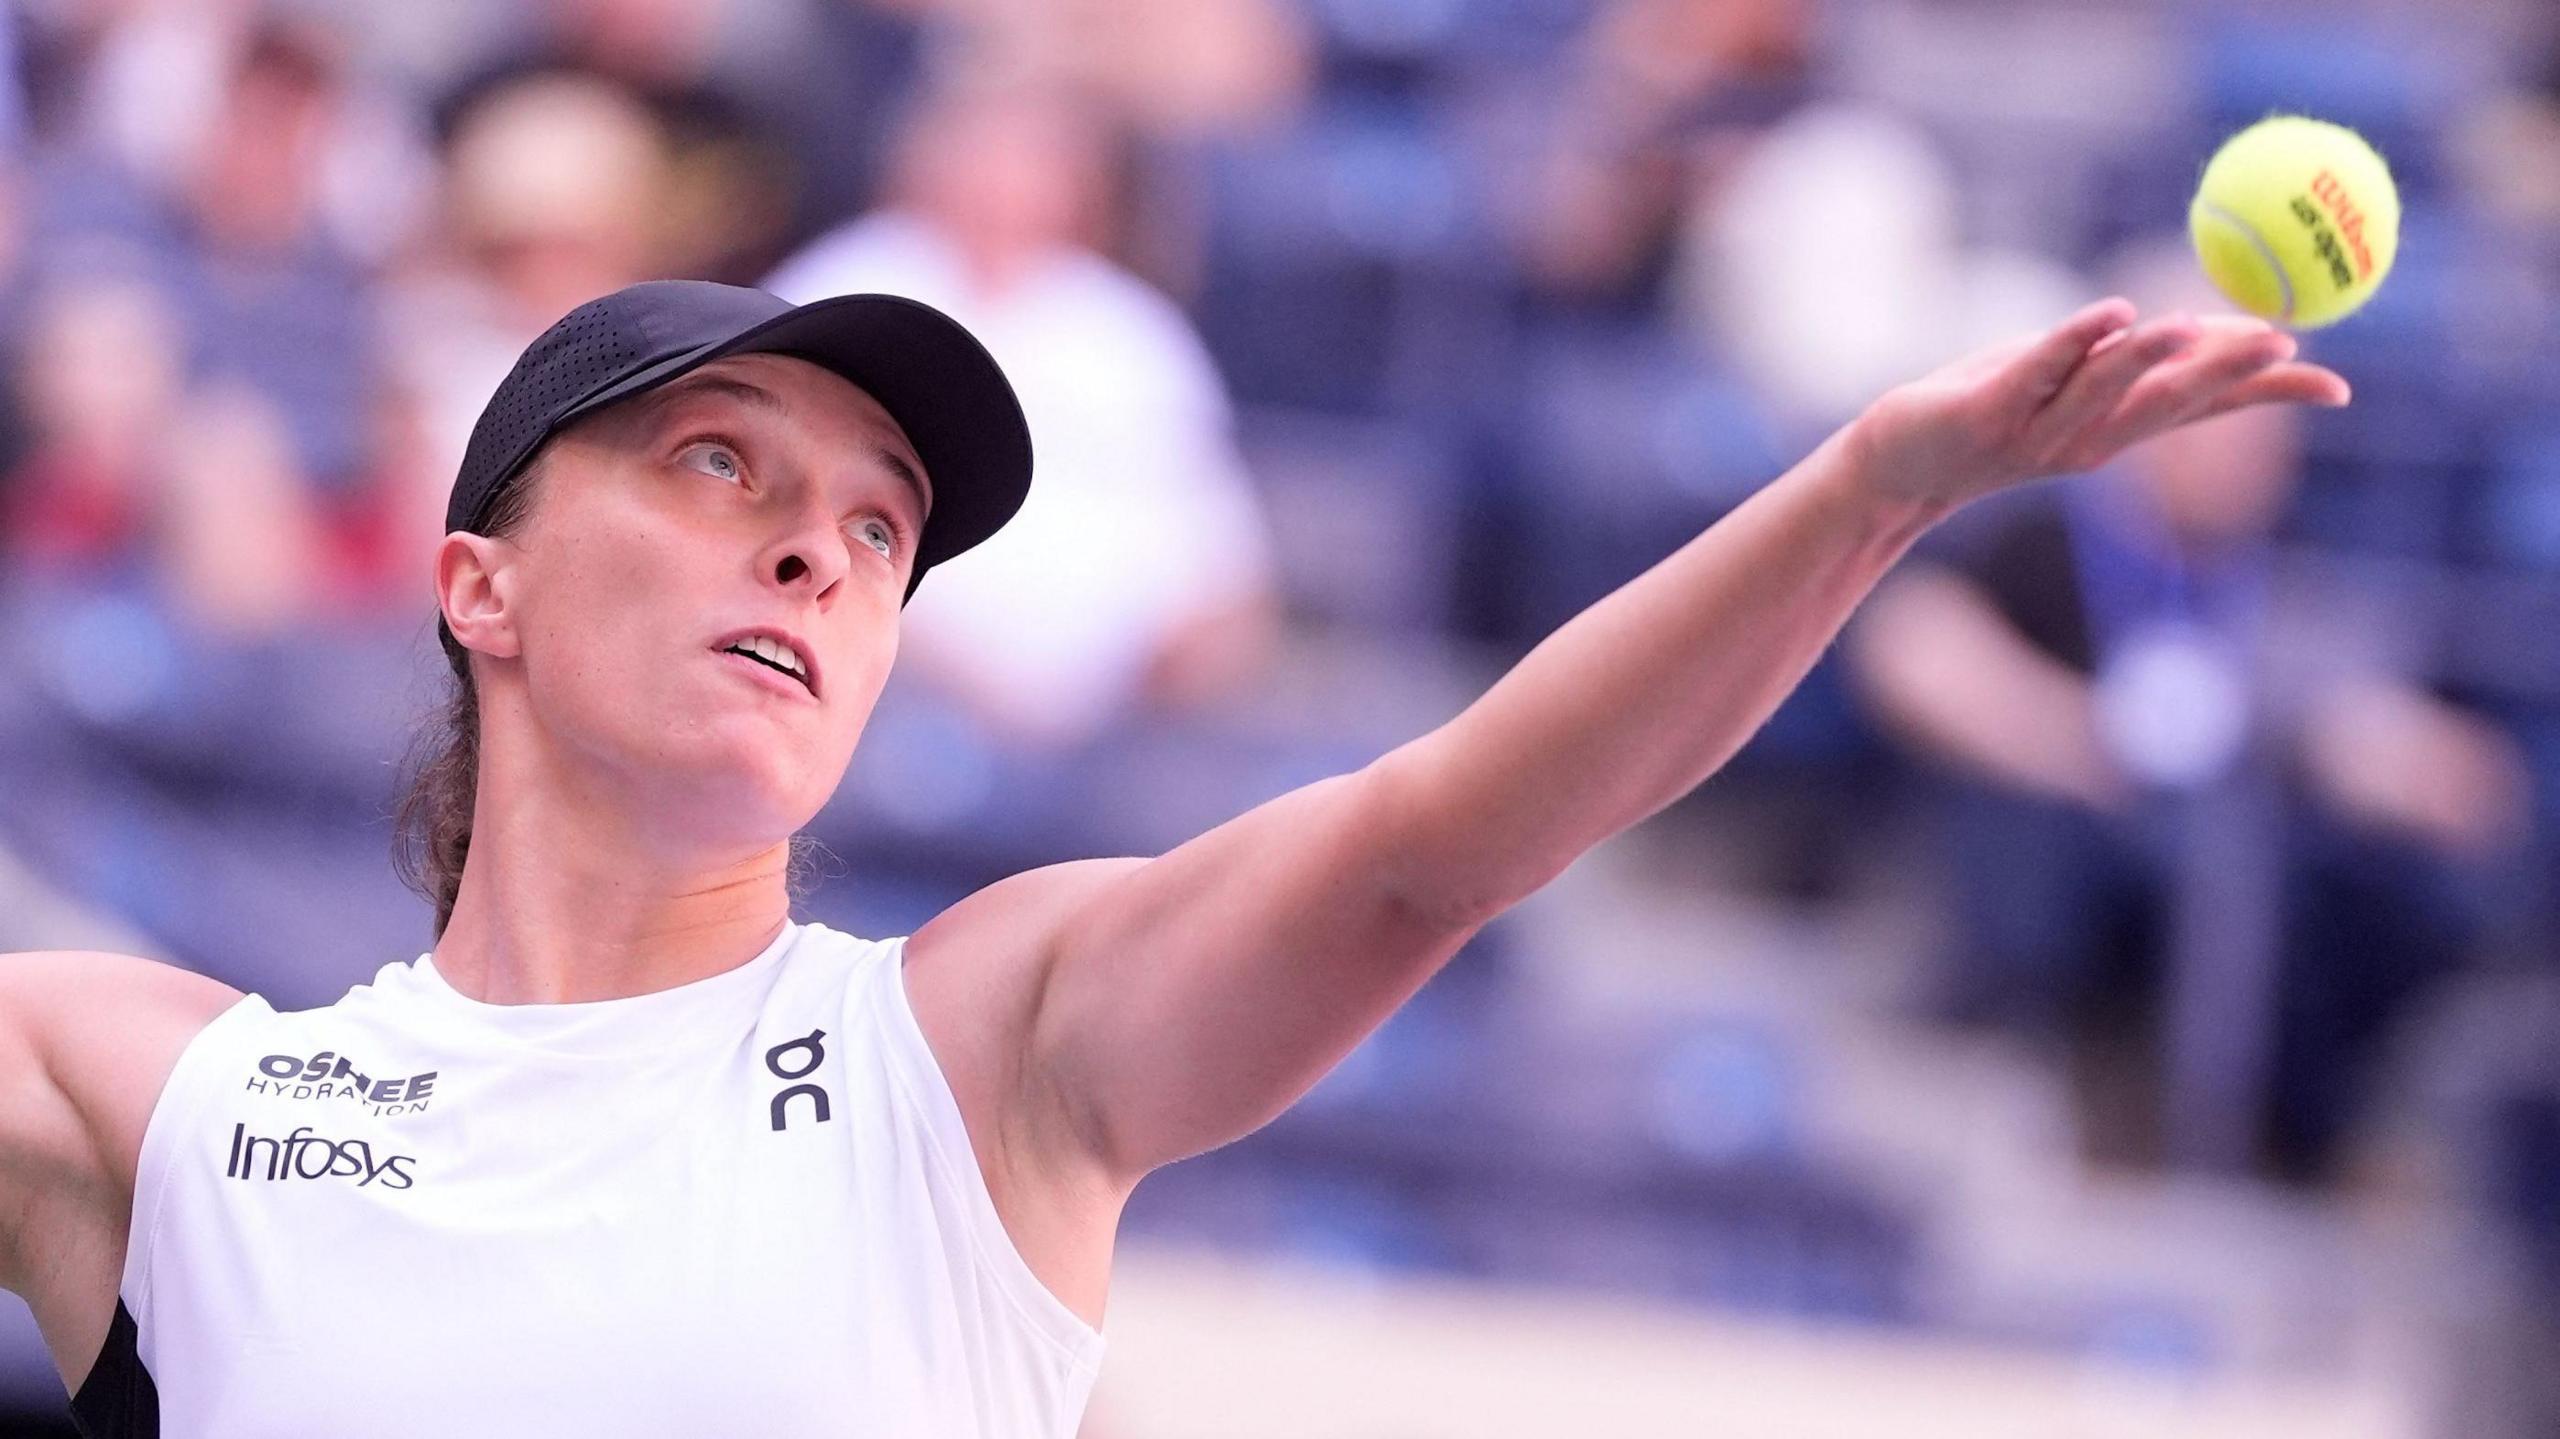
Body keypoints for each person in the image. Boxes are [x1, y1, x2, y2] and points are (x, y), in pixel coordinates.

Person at [0, 275, 2342, 1435]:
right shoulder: (168, 1099)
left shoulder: (978, 1046)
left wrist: (1866, 499)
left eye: (877, 526)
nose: (821, 549)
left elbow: (1441, 840)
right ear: (474, 584)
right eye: (718, 464)